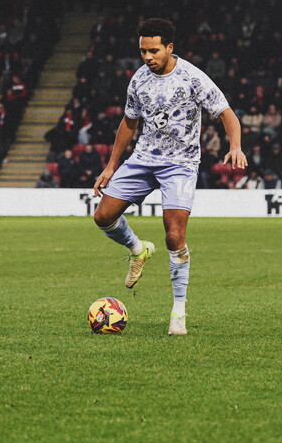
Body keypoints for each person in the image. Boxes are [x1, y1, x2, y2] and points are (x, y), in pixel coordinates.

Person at [92, 18, 246, 336]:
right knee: (103, 216)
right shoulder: (138, 81)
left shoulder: (192, 77)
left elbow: (226, 113)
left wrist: (236, 146)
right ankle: (137, 249)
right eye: (142, 51)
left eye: (154, 50)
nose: (147, 57)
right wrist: (111, 166)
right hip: (143, 159)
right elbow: (129, 123)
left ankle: (178, 311)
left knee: (174, 237)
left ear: (169, 48)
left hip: (181, 164)